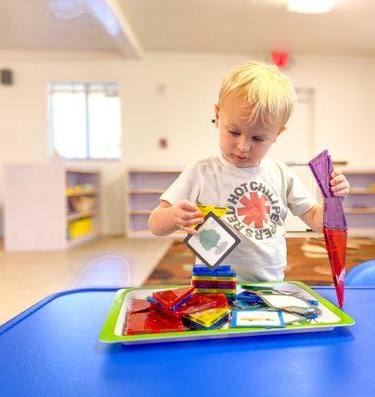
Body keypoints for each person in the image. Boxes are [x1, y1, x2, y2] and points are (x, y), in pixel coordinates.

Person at [149, 61, 349, 281]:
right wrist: (173, 216)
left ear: (277, 134)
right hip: (213, 287)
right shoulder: (201, 171)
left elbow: (317, 221)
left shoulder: (281, 174)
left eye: (258, 138)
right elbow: (155, 225)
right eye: (234, 132)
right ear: (217, 115)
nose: (243, 146)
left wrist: (334, 199)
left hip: (268, 287)